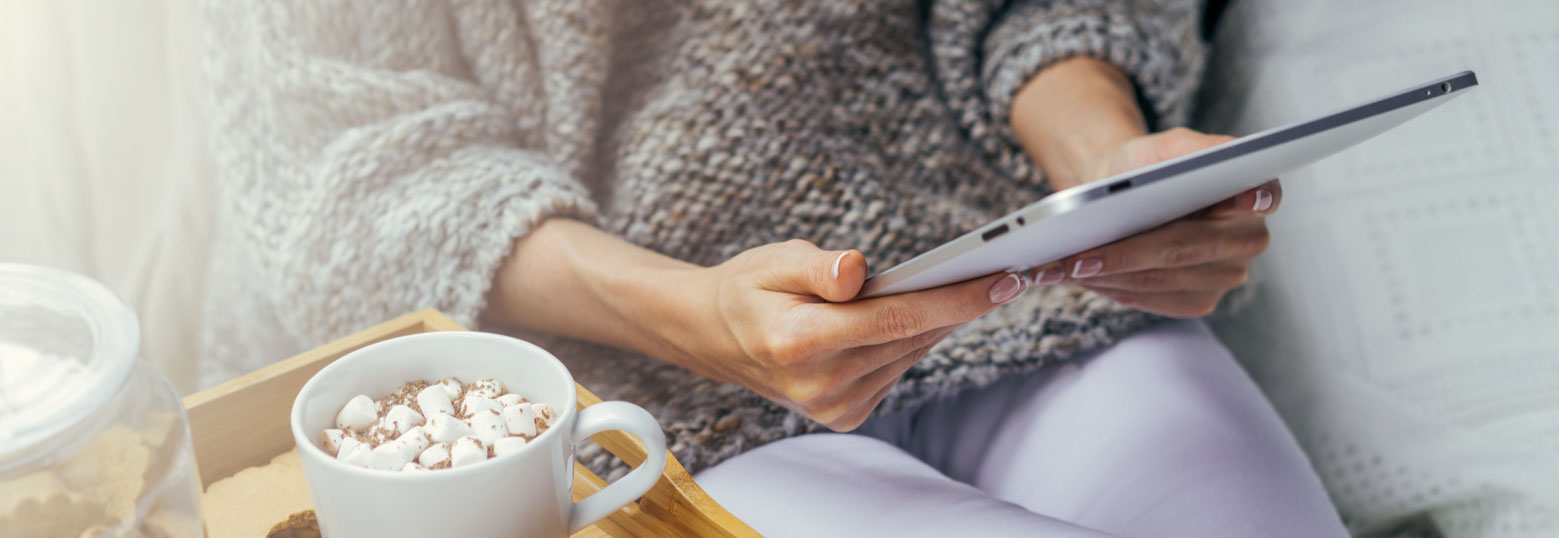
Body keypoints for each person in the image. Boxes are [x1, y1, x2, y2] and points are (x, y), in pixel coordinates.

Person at [202, 0, 1344, 535]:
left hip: (1024, 297)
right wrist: (697, 314)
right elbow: (350, 165)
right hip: (634, 398)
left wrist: (1109, 173)